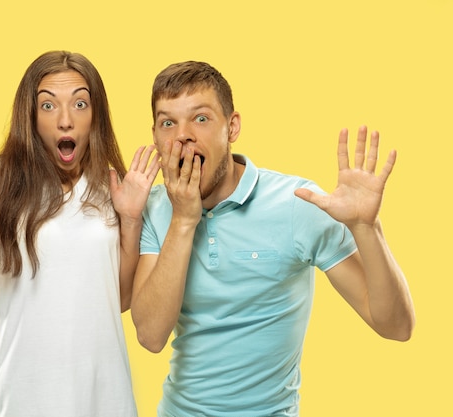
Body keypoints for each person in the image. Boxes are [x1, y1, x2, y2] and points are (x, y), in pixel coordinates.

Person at [130, 60, 415, 417]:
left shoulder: (296, 203)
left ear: (232, 127)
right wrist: (184, 221)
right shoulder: (156, 207)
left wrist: (365, 228)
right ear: (155, 135)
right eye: (167, 122)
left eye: (200, 118)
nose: (182, 134)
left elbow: (396, 327)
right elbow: (150, 336)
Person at [0, 51, 159, 417]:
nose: (65, 120)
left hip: (105, 402)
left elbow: (120, 300)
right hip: (19, 403)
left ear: (96, 115)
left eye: (79, 103)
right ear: (29, 115)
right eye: (48, 105)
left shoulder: (113, 189)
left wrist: (131, 219)